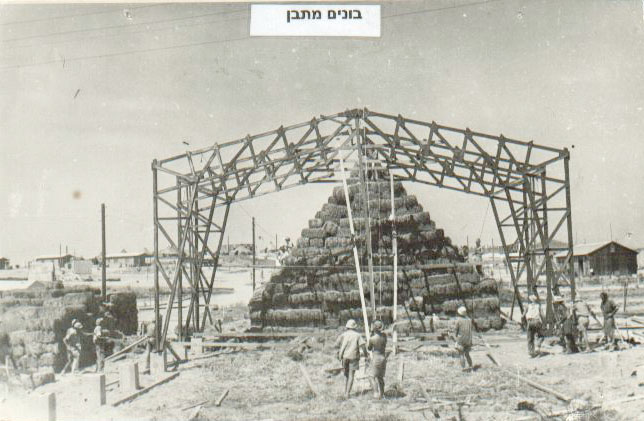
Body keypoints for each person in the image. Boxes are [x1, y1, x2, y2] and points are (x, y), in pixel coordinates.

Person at [335, 319, 367, 398]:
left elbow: (336, 345)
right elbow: (363, 346)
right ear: (355, 327)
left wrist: (340, 351)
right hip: (353, 357)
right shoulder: (357, 335)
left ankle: (346, 391)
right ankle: (347, 393)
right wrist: (366, 354)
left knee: (347, 375)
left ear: (347, 327)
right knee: (351, 375)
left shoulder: (343, 335)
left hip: (344, 357)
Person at [367, 320, 387, 399]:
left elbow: (369, 348)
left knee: (371, 376)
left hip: (376, 357)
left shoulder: (372, 338)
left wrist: (371, 335)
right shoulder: (384, 336)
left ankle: (376, 393)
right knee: (380, 377)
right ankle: (382, 394)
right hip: (383, 357)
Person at [454, 306, 473, 371]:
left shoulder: (458, 320)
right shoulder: (469, 320)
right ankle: (471, 366)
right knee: (467, 354)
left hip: (461, 340)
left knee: (461, 354)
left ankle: (463, 368)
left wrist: (455, 338)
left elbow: (456, 330)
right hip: (468, 339)